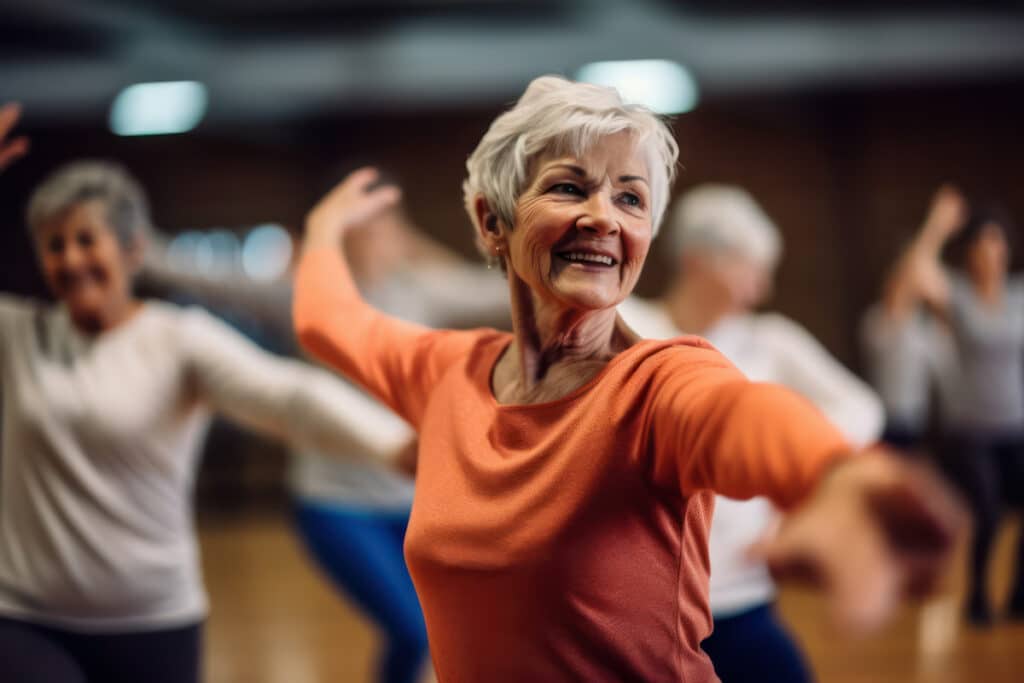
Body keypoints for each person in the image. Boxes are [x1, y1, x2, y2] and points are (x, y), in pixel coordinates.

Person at [293, 75, 964, 682]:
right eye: (568, 186)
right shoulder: (448, 372)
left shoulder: (657, 383)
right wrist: (324, 232)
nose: (604, 216)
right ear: (491, 223)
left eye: (630, 197)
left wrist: (834, 474)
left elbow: (736, 413)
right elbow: (330, 320)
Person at [0, 110, 412, 683]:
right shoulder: (15, 334)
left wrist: (399, 447)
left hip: (154, 616)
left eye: (86, 240)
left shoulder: (177, 340)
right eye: (54, 245)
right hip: (27, 618)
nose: (70, 259)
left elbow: (290, 395)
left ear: (133, 250)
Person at [139, 201, 507, 683]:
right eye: (365, 228)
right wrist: (144, 250)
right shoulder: (307, 295)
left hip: (416, 503)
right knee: (414, 633)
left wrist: (423, 248)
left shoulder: (420, 290)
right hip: (335, 504)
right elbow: (219, 279)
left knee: (442, 634)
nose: (378, 239)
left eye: (389, 227)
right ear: (340, 236)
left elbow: (507, 289)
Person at [619, 183, 884, 682]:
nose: (760, 289)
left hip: (742, 596)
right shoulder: (629, 326)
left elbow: (862, 409)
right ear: (699, 262)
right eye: (751, 270)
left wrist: (791, 470)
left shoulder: (771, 339)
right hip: (648, 610)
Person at [871, 184, 1024, 625]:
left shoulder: (1017, 298)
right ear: (969, 253)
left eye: (996, 242)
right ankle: (978, 596)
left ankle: (1019, 595)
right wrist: (937, 226)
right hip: (971, 428)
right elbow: (912, 277)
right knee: (989, 513)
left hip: (1015, 425)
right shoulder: (956, 295)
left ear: (1007, 250)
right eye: (979, 243)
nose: (988, 252)